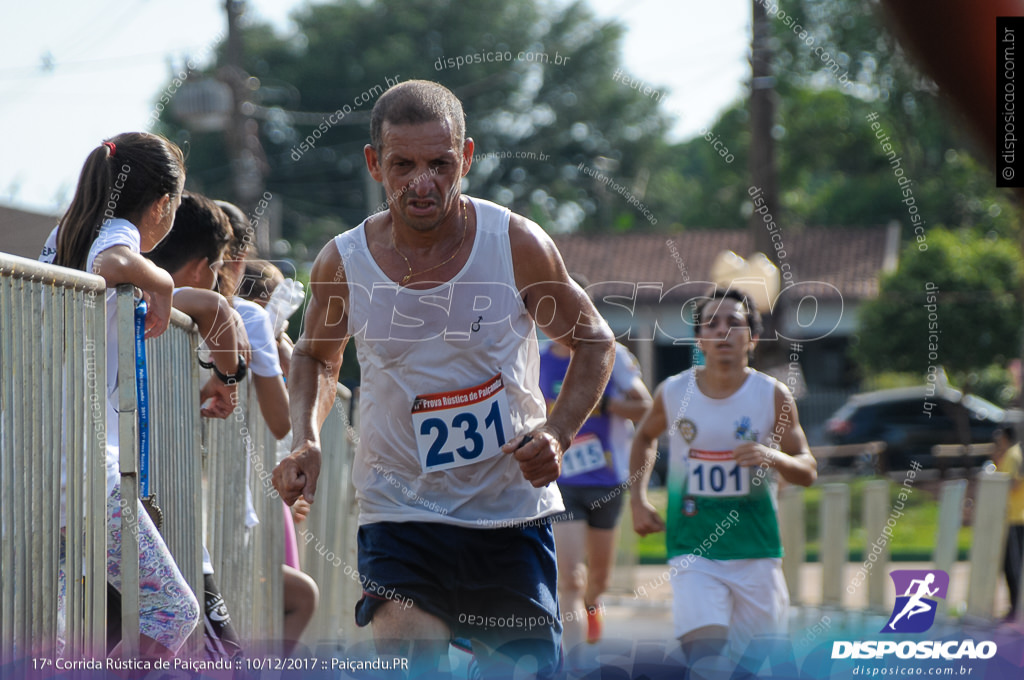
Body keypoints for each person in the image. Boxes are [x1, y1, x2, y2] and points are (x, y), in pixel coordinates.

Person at [272, 79, 615, 678]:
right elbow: (316, 358)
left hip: (508, 513)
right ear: (375, 163)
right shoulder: (344, 262)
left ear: (468, 158)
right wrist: (306, 435)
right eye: (403, 165)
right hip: (400, 512)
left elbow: (593, 342)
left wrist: (558, 432)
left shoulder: (515, 244)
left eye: (440, 163)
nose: (422, 183)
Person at [50, 132, 199, 659]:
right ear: (162, 203)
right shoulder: (115, 233)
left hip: (39, 460)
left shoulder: (64, 234)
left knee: (59, 636)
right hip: (84, 470)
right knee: (173, 610)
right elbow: (112, 261)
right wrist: (162, 280)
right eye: (175, 206)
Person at [629, 288, 816, 663]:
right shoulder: (674, 391)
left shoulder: (773, 396)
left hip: (756, 551)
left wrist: (771, 456)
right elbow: (644, 438)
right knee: (705, 658)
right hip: (693, 549)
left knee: (760, 665)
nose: (723, 332)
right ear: (699, 339)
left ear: (754, 337)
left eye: (735, 323)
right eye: (711, 324)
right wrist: (638, 500)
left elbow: (808, 469)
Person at [145, 190, 254, 661]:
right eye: (216, 267)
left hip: (143, 519)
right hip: (160, 524)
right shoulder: (162, 304)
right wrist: (227, 381)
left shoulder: (129, 300)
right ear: (200, 266)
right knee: (227, 662)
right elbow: (215, 306)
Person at [217, 200, 319, 655]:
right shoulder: (248, 320)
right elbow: (284, 417)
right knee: (285, 597)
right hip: (236, 496)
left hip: (244, 490)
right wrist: (276, 345)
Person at [538, 275, 651, 653]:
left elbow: (645, 408)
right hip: (560, 480)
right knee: (569, 576)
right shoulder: (533, 361)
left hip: (607, 480)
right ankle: (574, 663)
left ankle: (593, 603)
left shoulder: (610, 354)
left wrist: (601, 404)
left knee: (597, 578)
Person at [992, 426, 1024, 620]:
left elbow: (1016, 483)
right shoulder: (1010, 455)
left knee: (1012, 565)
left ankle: (1016, 607)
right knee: (1009, 564)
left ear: (1005, 438)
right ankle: (1015, 606)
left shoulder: (1013, 455)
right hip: (1011, 517)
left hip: (1015, 517)